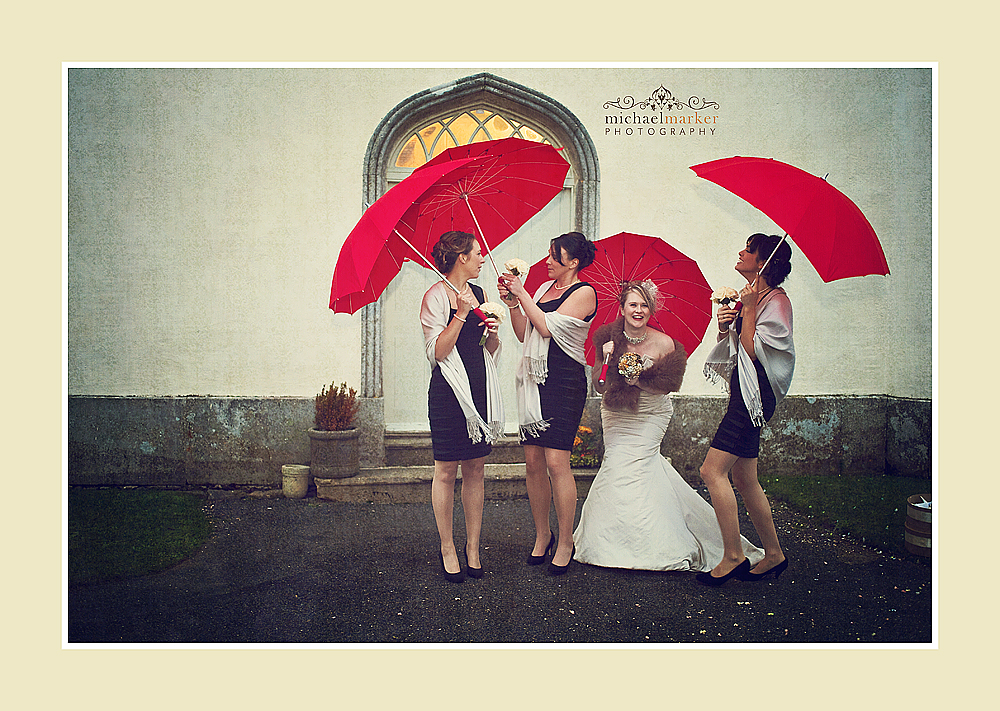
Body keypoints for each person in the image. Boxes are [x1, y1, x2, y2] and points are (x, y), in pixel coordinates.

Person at [573, 280, 764, 571]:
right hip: (617, 414)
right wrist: (608, 358)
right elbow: (599, 386)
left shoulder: (666, 343)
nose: (638, 310)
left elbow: (669, 385)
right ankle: (614, 540)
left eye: (644, 305)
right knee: (616, 464)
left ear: (651, 309)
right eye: (632, 305)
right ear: (622, 308)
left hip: (651, 413)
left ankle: (655, 543)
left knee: (639, 464)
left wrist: (639, 379)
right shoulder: (605, 337)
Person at [697, 233, 795, 586]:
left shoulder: (776, 302)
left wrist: (749, 309)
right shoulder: (756, 297)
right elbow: (739, 347)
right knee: (743, 477)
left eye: (749, 250)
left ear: (763, 262)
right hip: (744, 393)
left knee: (711, 471)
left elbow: (757, 354)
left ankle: (733, 555)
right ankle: (774, 554)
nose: (741, 252)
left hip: (753, 398)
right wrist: (727, 325)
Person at [498, 232, 597, 575]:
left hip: (565, 383)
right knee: (533, 463)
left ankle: (566, 540)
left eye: (556, 255)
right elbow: (523, 330)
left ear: (573, 262)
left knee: (557, 463)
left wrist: (521, 292)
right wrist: (514, 303)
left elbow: (546, 328)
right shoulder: (542, 290)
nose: (549, 260)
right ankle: (543, 535)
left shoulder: (584, 293)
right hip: (534, 382)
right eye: (549, 253)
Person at [420, 231, 504, 583]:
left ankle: (472, 547)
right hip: (448, 392)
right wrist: (460, 315)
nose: (483, 256)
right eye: (477, 252)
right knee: (445, 471)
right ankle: (447, 547)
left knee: (475, 470)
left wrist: (494, 332)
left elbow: (487, 348)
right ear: (462, 258)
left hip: (478, 390)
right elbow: (437, 353)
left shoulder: (482, 295)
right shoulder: (435, 297)